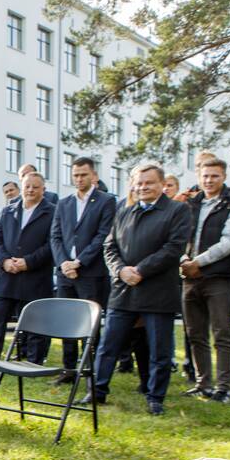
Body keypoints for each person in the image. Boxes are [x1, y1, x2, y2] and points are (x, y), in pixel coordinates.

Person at [83, 163, 191, 415]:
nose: (143, 187)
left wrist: (140, 270)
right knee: (108, 344)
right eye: (139, 183)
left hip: (158, 291)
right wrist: (121, 270)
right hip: (123, 290)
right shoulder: (124, 210)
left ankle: (155, 397)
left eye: (149, 182)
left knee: (159, 349)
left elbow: (174, 248)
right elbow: (109, 246)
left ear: (162, 184)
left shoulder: (177, 210)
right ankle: (97, 390)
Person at [179, 158, 230, 402]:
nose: (209, 180)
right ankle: (202, 383)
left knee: (222, 334)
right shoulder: (191, 204)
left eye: (214, 176)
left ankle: (223, 387)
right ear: (199, 176)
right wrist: (185, 259)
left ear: (224, 176)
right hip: (189, 276)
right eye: (205, 176)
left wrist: (199, 262)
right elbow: (180, 235)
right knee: (195, 333)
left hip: (219, 277)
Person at [50, 156, 117, 384]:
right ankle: (68, 369)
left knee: (91, 324)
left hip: (90, 272)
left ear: (93, 176)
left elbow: (103, 235)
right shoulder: (64, 203)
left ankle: (91, 369)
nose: (79, 179)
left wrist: (79, 262)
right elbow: (55, 236)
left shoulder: (106, 201)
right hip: (65, 273)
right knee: (67, 320)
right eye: (76, 175)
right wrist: (63, 263)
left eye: (83, 175)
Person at [0, 172, 56, 368]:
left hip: (35, 276)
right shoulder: (8, 210)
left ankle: (33, 361)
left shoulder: (52, 212)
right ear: (22, 187)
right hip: (8, 276)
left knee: (34, 321)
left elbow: (52, 244)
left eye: (35, 187)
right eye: (27, 186)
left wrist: (28, 262)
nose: (30, 190)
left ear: (43, 190)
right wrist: (5, 261)